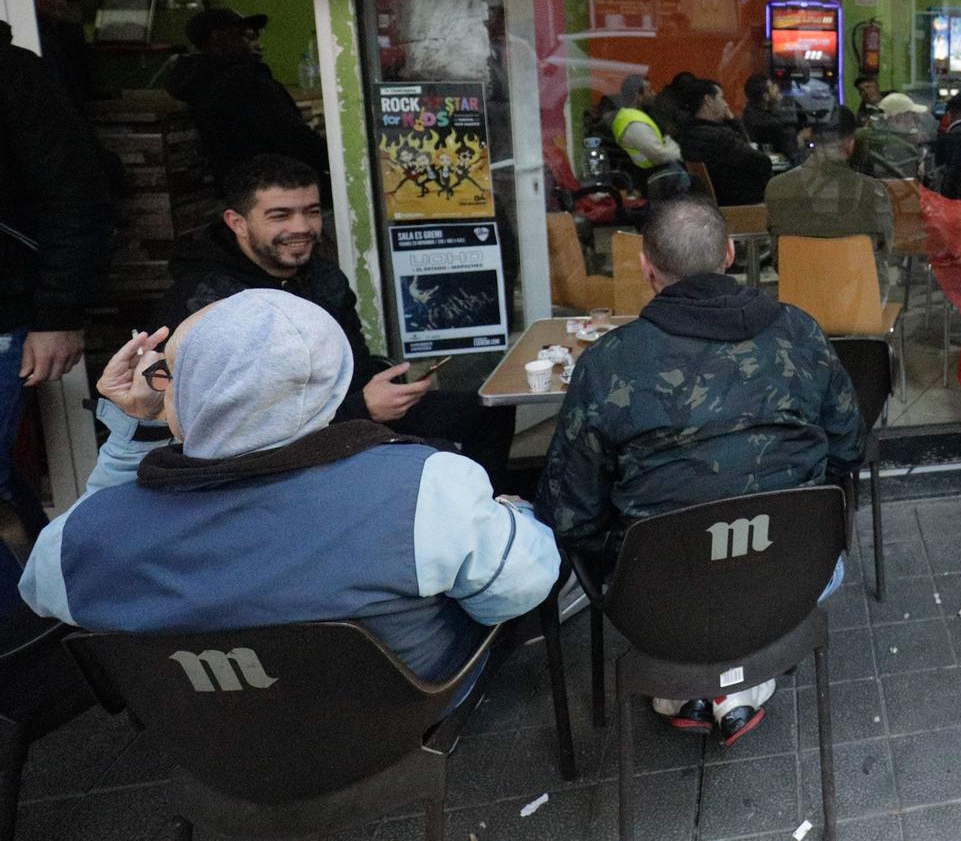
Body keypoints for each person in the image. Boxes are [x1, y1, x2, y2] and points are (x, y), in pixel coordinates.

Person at [20, 291, 558, 685]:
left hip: (207, 749)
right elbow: (515, 592)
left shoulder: (89, 538)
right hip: (393, 726)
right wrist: (517, 515)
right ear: (334, 381)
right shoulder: (426, 489)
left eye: (168, 376)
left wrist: (137, 430)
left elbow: (53, 578)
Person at [536, 196, 861, 743]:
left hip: (656, 602)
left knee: (671, 569)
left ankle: (696, 687)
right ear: (730, 254)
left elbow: (570, 513)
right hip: (794, 580)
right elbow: (848, 448)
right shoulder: (801, 335)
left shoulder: (609, 363)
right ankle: (735, 688)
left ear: (646, 267)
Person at [85, 155, 512, 492]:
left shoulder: (323, 275)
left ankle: (491, 517)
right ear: (237, 222)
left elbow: (356, 364)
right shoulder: (204, 300)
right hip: (261, 459)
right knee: (429, 459)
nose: (302, 228)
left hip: (346, 420)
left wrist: (388, 385)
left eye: (310, 211)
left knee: (486, 411)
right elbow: (225, 422)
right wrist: (362, 409)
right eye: (280, 216)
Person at [0, 20, 111, 536]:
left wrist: (58, 314)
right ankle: (41, 587)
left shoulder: (14, 75)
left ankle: (39, 595)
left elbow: (74, 198)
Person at [165, 5, 330, 189]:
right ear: (217, 38)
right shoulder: (243, 82)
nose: (257, 44)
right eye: (246, 36)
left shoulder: (200, 78)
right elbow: (292, 135)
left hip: (241, 186)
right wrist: (339, 163)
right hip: (280, 183)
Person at [765, 106, 894, 248]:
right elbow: (884, 248)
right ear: (850, 145)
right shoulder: (874, 191)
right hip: (858, 269)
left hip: (799, 269)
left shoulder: (777, 187)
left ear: (812, 141)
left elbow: (777, 253)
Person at [671, 76, 774, 206]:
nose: (726, 104)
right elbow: (762, 162)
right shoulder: (720, 137)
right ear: (708, 100)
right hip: (741, 202)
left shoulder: (688, 133)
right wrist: (733, 121)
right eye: (721, 97)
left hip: (714, 201)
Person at [610, 75, 684, 177]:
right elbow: (660, 156)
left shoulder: (629, 116)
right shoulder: (635, 124)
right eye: (649, 91)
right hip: (651, 176)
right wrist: (682, 152)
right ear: (638, 96)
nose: (654, 93)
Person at [853, 92, 930, 180]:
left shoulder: (871, 138)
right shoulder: (894, 146)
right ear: (897, 118)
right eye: (910, 114)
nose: (915, 119)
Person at [741, 73, 800, 161]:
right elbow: (790, 151)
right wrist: (801, 138)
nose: (777, 89)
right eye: (772, 87)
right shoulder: (770, 123)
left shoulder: (749, 114)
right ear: (765, 97)